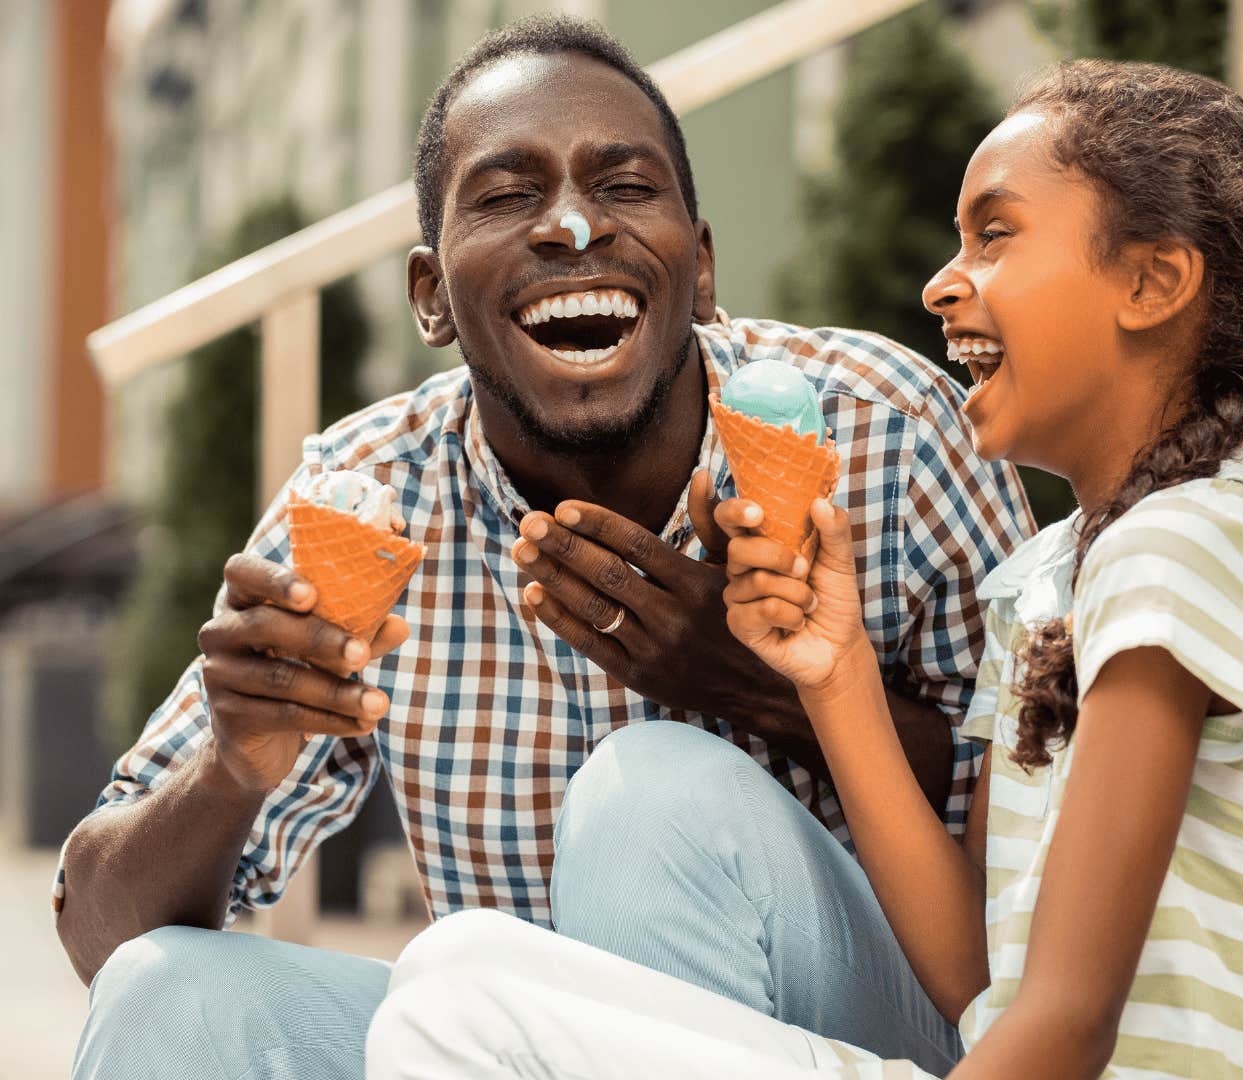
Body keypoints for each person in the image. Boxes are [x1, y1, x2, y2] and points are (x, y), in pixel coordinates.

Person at [55, 15, 1031, 1080]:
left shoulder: (885, 428)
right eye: (508, 193)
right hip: (493, 1046)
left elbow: (1047, 833)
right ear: (431, 296)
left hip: (869, 1035)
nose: (572, 226)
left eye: (625, 186)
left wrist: (767, 691)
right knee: (169, 998)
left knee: (652, 792)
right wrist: (231, 771)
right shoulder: (367, 496)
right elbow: (97, 930)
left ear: (700, 268)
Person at [367, 59, 1243, 1080]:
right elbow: (980, 977)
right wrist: (832, 676)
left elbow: (1067, 1023)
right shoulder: (1053, 578)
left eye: (994, 235)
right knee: (454, 960)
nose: (941, 283)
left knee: (454, 1019)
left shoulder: (1179, 551)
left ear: (1151, 282)